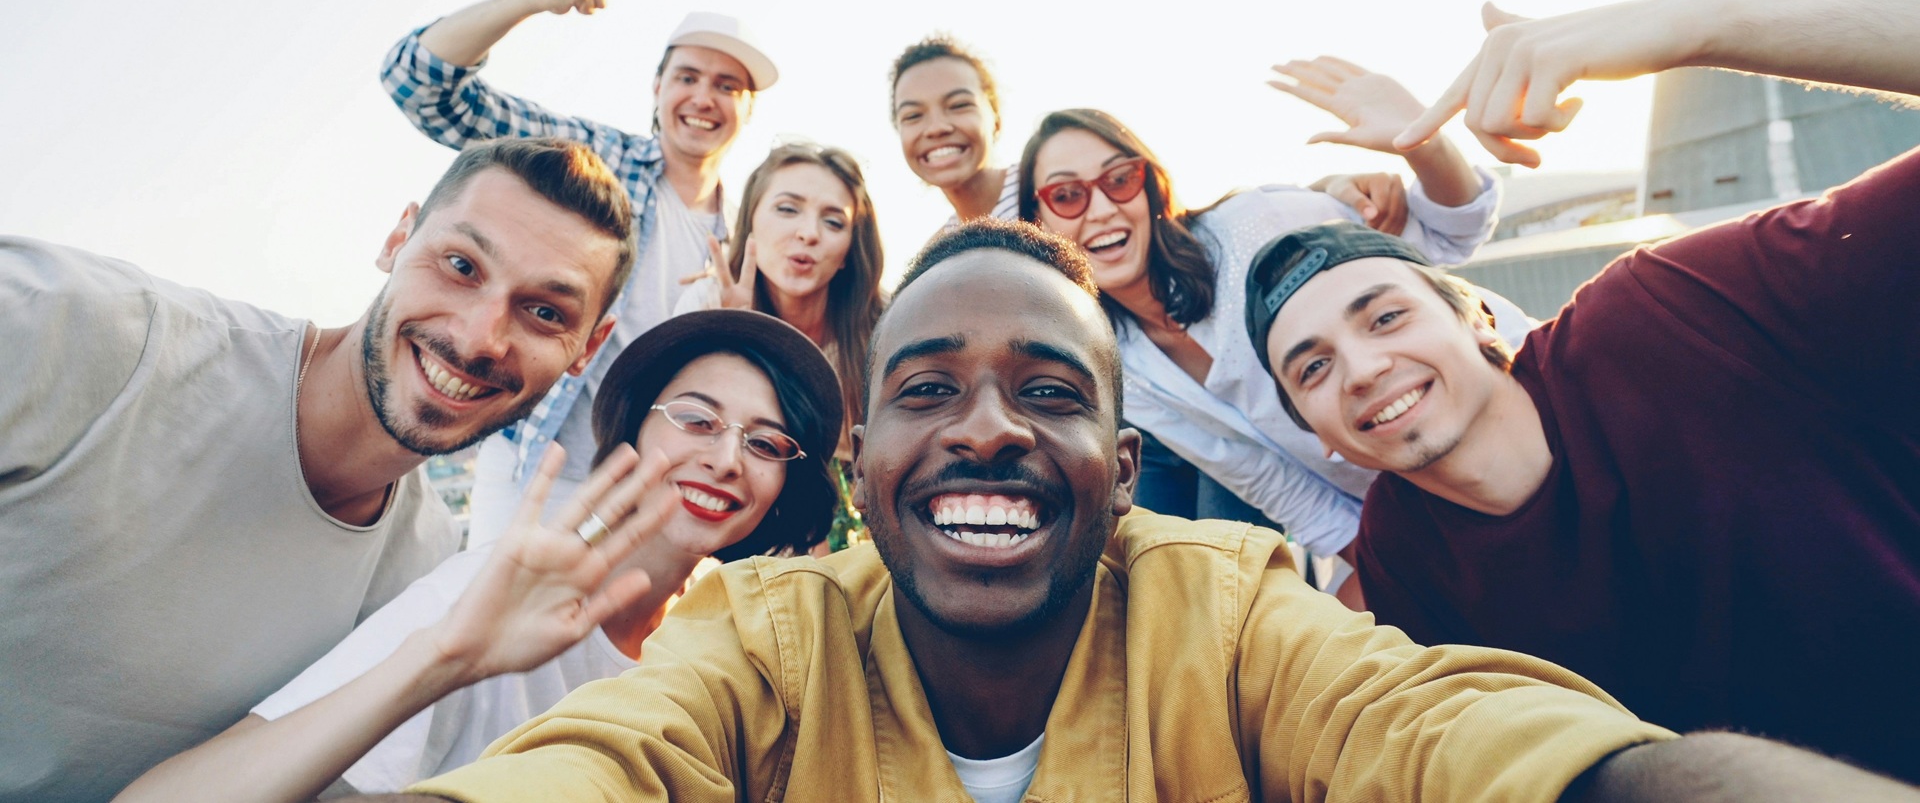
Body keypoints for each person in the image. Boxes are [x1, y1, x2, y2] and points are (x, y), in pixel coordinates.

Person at [342, 221, 1920, 803]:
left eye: (1049, 392)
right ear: (858, 470)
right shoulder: (759, 637)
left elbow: (1448, 735)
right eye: (927, 389)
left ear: (1119, 460)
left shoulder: (1231, 603)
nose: (984, 433)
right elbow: (600, 765)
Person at [1249, 0, 1920, 782]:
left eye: (1386, 316)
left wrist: (1696, 23)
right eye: (1313, 367)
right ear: (1314, 430)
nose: (1361, 368)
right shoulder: (1403, 560)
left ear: (1478, 319)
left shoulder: (1664, 314)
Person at [0, 136, 635, 803]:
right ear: (397, 237)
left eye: (543, 312)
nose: (480, 336)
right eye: (460, 264)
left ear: (586, 348)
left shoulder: (424, 578)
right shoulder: (70, 327)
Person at [116, 310, 841, 802]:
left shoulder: (729, 633)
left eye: (766, 442)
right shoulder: (490, 585)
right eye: (696, 418)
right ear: (634, 429)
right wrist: (450, 654)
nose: (724, 458)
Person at [382, 0, 778, 547]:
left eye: (727, 85)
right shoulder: (595, 163)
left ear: (748, 109)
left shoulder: (752, 229)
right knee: (492, 628)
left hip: (656, 486)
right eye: (688, 77)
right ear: (656, 88)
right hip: (540, 462)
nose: (704, 98)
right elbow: (421, 87)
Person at [1016, 97, 1522, 569]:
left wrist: (1425, 141)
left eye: (1120, 179)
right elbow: (1257, 472)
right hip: (1421, 509)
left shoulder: (1257, 222)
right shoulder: (1115, 357)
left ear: (1151, 185)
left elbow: (1451, 233)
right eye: (1066, 195)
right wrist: (1389, 567)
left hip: (1518, 422)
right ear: (1040, 222)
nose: (1101, 208)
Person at [887, 36, 1413, 231]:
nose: (937, 128)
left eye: (958, 105)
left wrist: (1329, 188)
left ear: (993, 116)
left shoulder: (1055, 181)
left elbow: (1183, 221)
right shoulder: (949, 244)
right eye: (912, 116)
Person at [675, 143, 885, 547]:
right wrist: (733, 336)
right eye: (787, 209)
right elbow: (681, 429)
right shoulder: (709, 299)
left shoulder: (880, 325)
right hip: (734, 493)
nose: (808, 233)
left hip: (854, 510)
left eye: (833, 222)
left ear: (847, 254)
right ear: (750, 221)